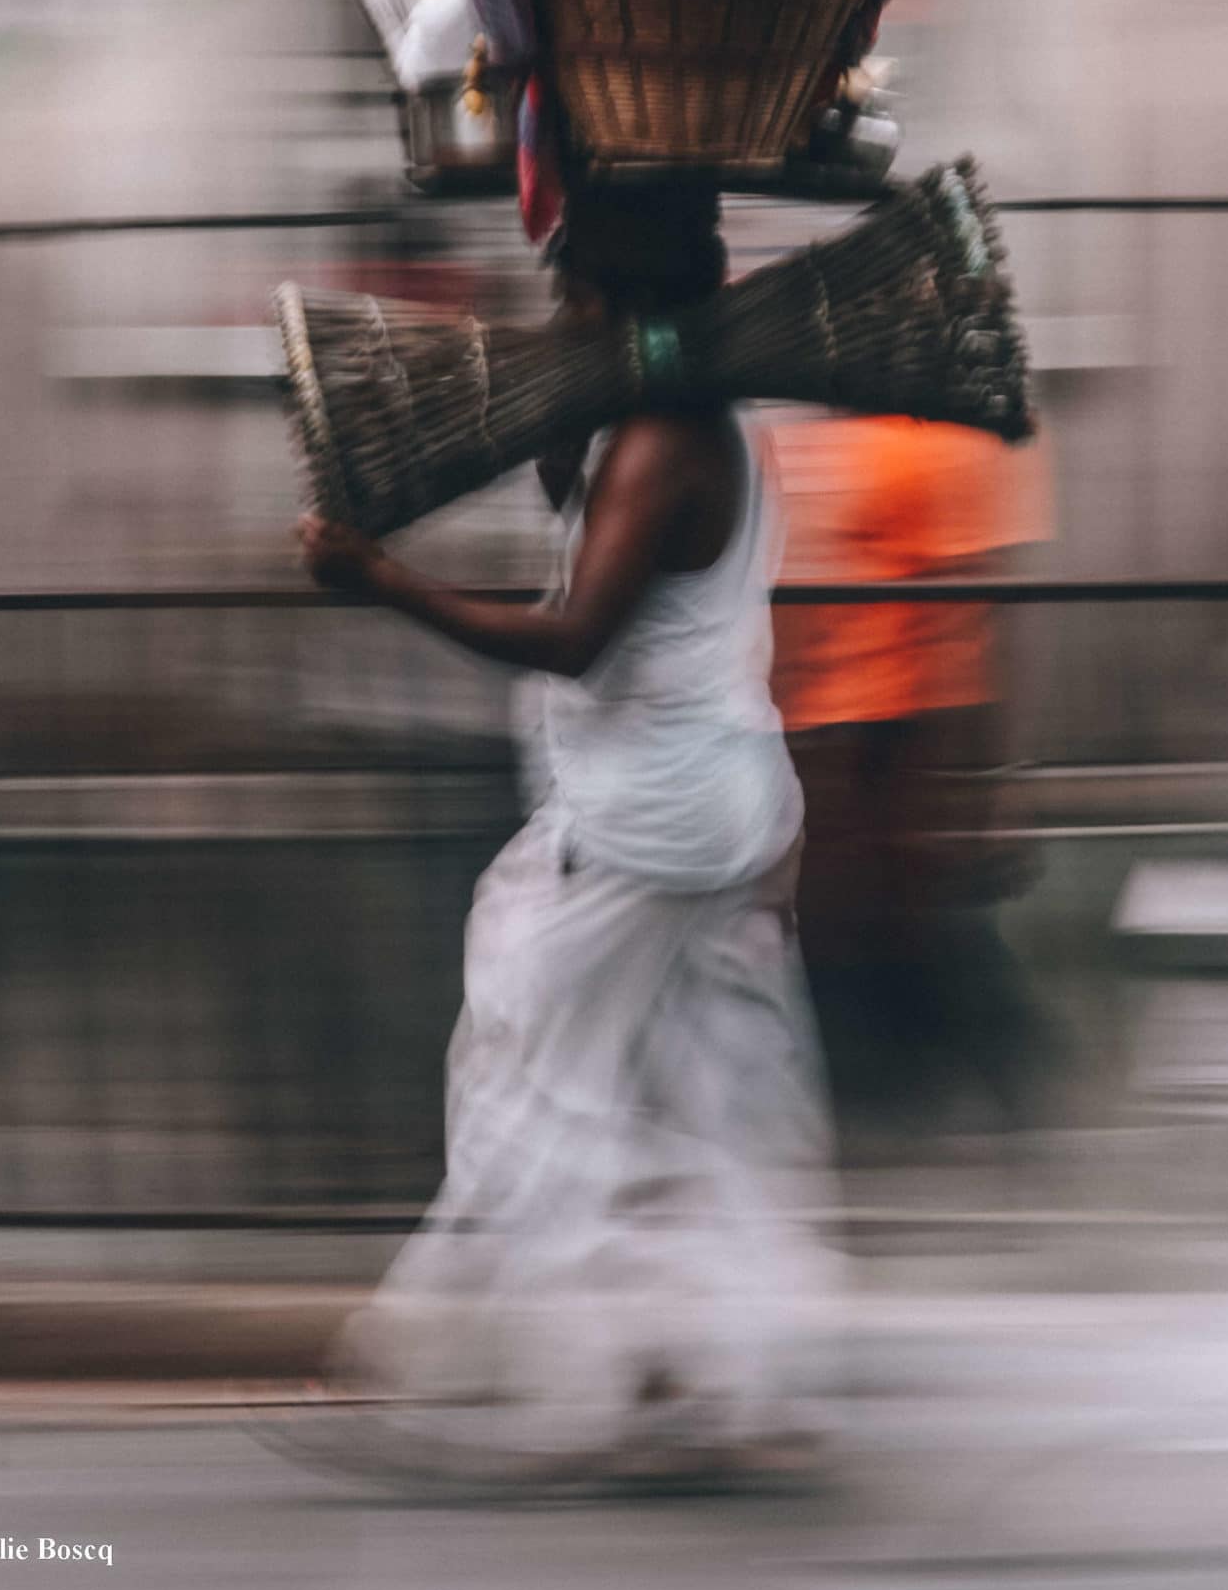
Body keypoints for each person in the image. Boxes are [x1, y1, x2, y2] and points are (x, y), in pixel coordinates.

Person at [295, 174, 836, 1484]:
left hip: (645, 822)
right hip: (720, 810)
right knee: (708, 1093)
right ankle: (732, 1382)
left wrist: (380, 581)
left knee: (532, 1075)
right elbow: (635, 581)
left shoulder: (663, 445)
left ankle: (542, 1387)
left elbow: (577, 640)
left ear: (606, 298)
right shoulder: (688, 424)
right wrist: (558, 449)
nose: (550, 308)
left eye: (564, 290)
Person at [768, 412, 1059, 1132]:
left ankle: (1015, 1107)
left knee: (922, 936)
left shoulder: (939, 440)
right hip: (824, 740)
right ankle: (947, 1112)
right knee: (874, 942)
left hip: (894, 739)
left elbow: (971, 616)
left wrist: (980, 780)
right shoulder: (803, 438)